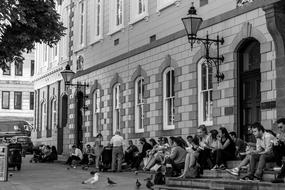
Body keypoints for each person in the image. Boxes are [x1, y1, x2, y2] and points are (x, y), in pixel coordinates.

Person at [272, 118, 285, 183]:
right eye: (278, 127)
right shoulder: (280, 134)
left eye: (281, 127)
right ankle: (280, 164)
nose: (279, 129)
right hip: (282, 154)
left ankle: (280, 177)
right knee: (274, 146)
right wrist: (276, 143)